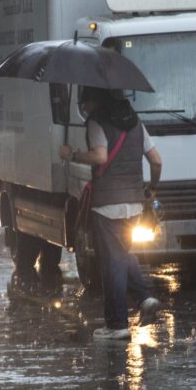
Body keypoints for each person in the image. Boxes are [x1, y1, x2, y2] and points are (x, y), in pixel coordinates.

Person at [59, 87, 162, 340]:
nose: (85, 108)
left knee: (113, 262)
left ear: (96, 102)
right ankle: (145, 298)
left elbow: (100, 156)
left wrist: (72, 154)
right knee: (123, 255)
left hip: (106, 204)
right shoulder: (136, 122)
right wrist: (152, 188)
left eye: (86, 103)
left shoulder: (97, 122)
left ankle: (117, 324)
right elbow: (156, 161)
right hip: (134, 203)